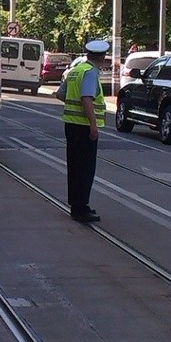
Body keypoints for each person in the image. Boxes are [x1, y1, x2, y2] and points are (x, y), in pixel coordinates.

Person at [63, 38, 108, 223]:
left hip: (70, 124)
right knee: (85, 168)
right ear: (102, 57)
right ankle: (82, 207)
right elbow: (86, 98)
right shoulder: (90, 73)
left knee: (74, 167)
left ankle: (76, 204)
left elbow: (60, 94)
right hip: (83, 127)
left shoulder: (75, 71)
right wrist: (93, 124)